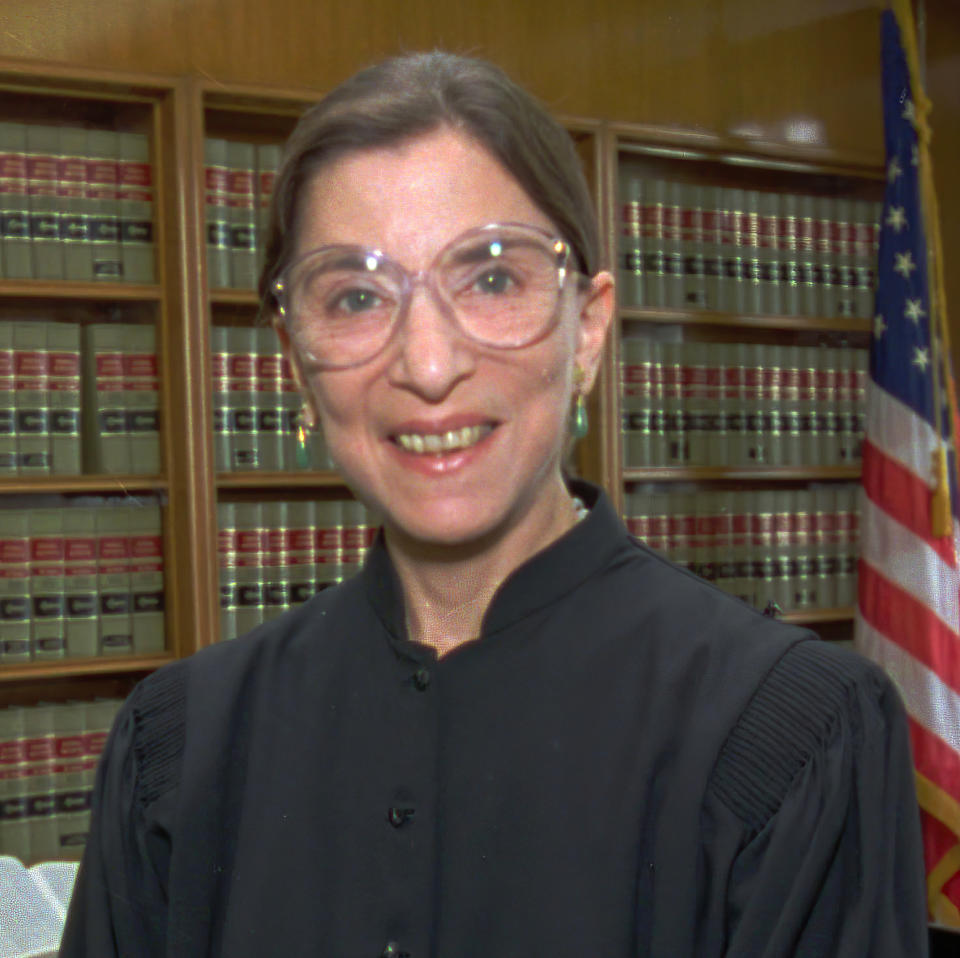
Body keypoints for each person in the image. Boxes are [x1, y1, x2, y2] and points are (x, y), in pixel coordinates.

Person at [61, 52, 928, 957]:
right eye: (357, 297)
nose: (428, 365)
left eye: (491, 278)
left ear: (587, 329)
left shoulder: (788, 731)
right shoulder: (183, 745)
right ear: (294, 356)